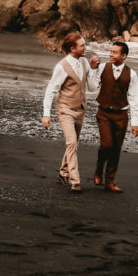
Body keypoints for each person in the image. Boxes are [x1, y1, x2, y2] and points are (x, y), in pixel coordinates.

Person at [42, 32, 100, 193]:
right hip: (65, 109)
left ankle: (63, 173)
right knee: (72, 143)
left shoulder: (84, 62)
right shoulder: (62, 66)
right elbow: (50, 91)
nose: (85, 47)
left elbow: (92, 87)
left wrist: (94, 69)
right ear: (72, 48)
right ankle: (75, 181)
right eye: (82, 45)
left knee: (73, 144)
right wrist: (46, 114)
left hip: (80, 109)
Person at [87, 41, 138, 193]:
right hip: (104, 112)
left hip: (121, 115)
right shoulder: (103, 67)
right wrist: (92, 69)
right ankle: (98, 168)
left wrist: (134, 123)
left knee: (116, 149)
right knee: (106, 144)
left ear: (124, 56)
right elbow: (91, 87)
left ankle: (110, 181)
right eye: (111, 51)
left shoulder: (131, 74)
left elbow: (134, 98)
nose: (111, 54)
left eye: (115, 52)